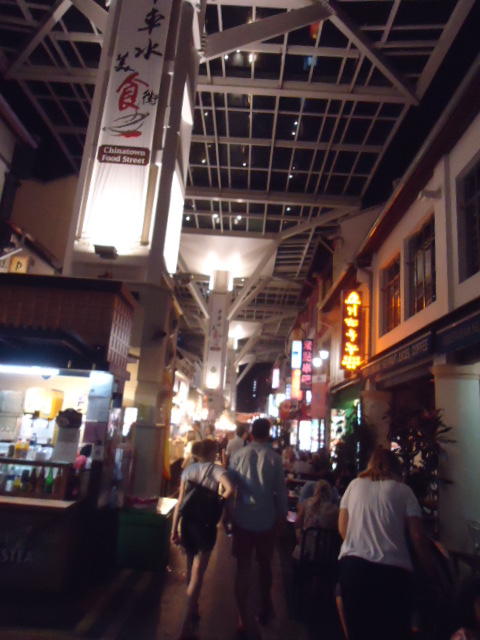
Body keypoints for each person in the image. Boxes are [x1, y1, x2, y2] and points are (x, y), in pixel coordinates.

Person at [338, 446, 436, 640]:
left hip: (354, 569)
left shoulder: (354, 486)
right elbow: (417, 537)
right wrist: (430, 570)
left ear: (370, 464)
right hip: (392, 573)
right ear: (396, 467)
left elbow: (343, 528)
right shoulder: (404, 491)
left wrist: (362, 542)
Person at [229, 418, 288, 633]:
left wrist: (227, 515)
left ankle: (241, 616)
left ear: (252, 434)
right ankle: (265, 607)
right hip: (266, 519)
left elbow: (230, 489)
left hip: (243, 518)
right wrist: (282, 517)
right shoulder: (275, 459)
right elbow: (281, 491)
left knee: (243, 567)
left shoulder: (238, 456)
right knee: (265, 565)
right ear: (269, 434)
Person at [171, 439, 234, 639]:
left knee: (191, 569)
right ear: (212, 452)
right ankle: (186, 621)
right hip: (205, 526)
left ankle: (194, 608)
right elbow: (230, 489)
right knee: (198, 573)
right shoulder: (217, 470)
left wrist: (174, 529)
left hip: (187, 523)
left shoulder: (188, 471)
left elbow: (180, 502)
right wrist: (219, 502)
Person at [293, 479, 339, 560]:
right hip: (326, 552)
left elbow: (297, 523)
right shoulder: (335, 510)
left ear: (315, 491)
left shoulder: (307, 503)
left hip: (306, 548)